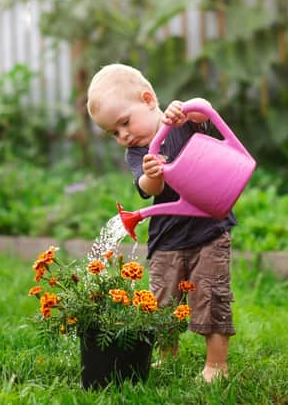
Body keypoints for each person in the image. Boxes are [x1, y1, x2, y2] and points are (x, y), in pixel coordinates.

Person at [86, 63, 237, 383]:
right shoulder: (139, 152)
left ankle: (216, 366)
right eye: (114, 132)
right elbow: (145, 187)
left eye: (124, 123)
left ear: (148, 99)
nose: (123, 135)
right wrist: (152, 175)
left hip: (208, 228)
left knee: (212, 296)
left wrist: (186, 110)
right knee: (162, 301)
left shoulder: (181, 122)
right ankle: (169, 356)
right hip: (167, 236)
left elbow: (205, 111)